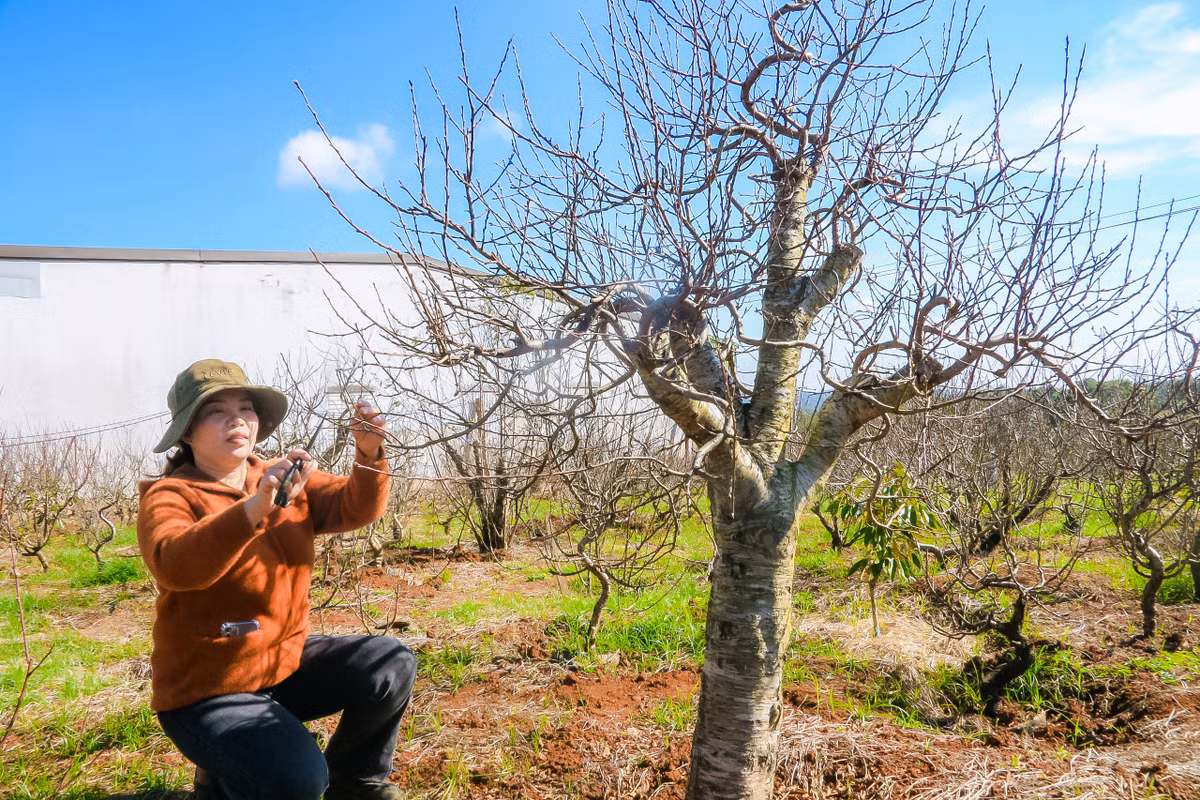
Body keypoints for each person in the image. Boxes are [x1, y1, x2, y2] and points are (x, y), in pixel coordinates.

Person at [137, 359, 414, 800]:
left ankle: (357, 783)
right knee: (298, 781)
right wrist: (256, 507)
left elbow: (354, 506)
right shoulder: (171, 494)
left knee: (390, 662)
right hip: (206, 689)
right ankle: (224, 774)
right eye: (215, 410)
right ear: (187, 432)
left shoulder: (275, 476)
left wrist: (369, 454)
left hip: (280, 665)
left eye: (245, 406)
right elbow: (175, 566)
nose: (236, 418)